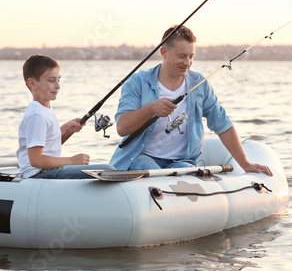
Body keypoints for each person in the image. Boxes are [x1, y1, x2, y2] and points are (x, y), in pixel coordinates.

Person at [109, 25, 272, 176]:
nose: (187, 63)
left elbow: (223, 125)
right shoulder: (137, 82)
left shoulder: (200, 84)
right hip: (140, 157)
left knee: (185, 174)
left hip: (182, 162)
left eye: (191, 56)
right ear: (163, 52)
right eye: (181, 56)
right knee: (152, 172)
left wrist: (245, 164)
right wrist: (151, 108)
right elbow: (122, 128)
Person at [16, 54, 115, 179]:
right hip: (38, 174)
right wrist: (72, 161)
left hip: (46, 170)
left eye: (59, 80)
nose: (57, 86)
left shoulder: (44, 109)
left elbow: (49, 145)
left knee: (108, 170)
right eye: (51, 81)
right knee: (106, 171)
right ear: (32, 84)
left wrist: (67, 130)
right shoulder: (37, 115)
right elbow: (36, 160)